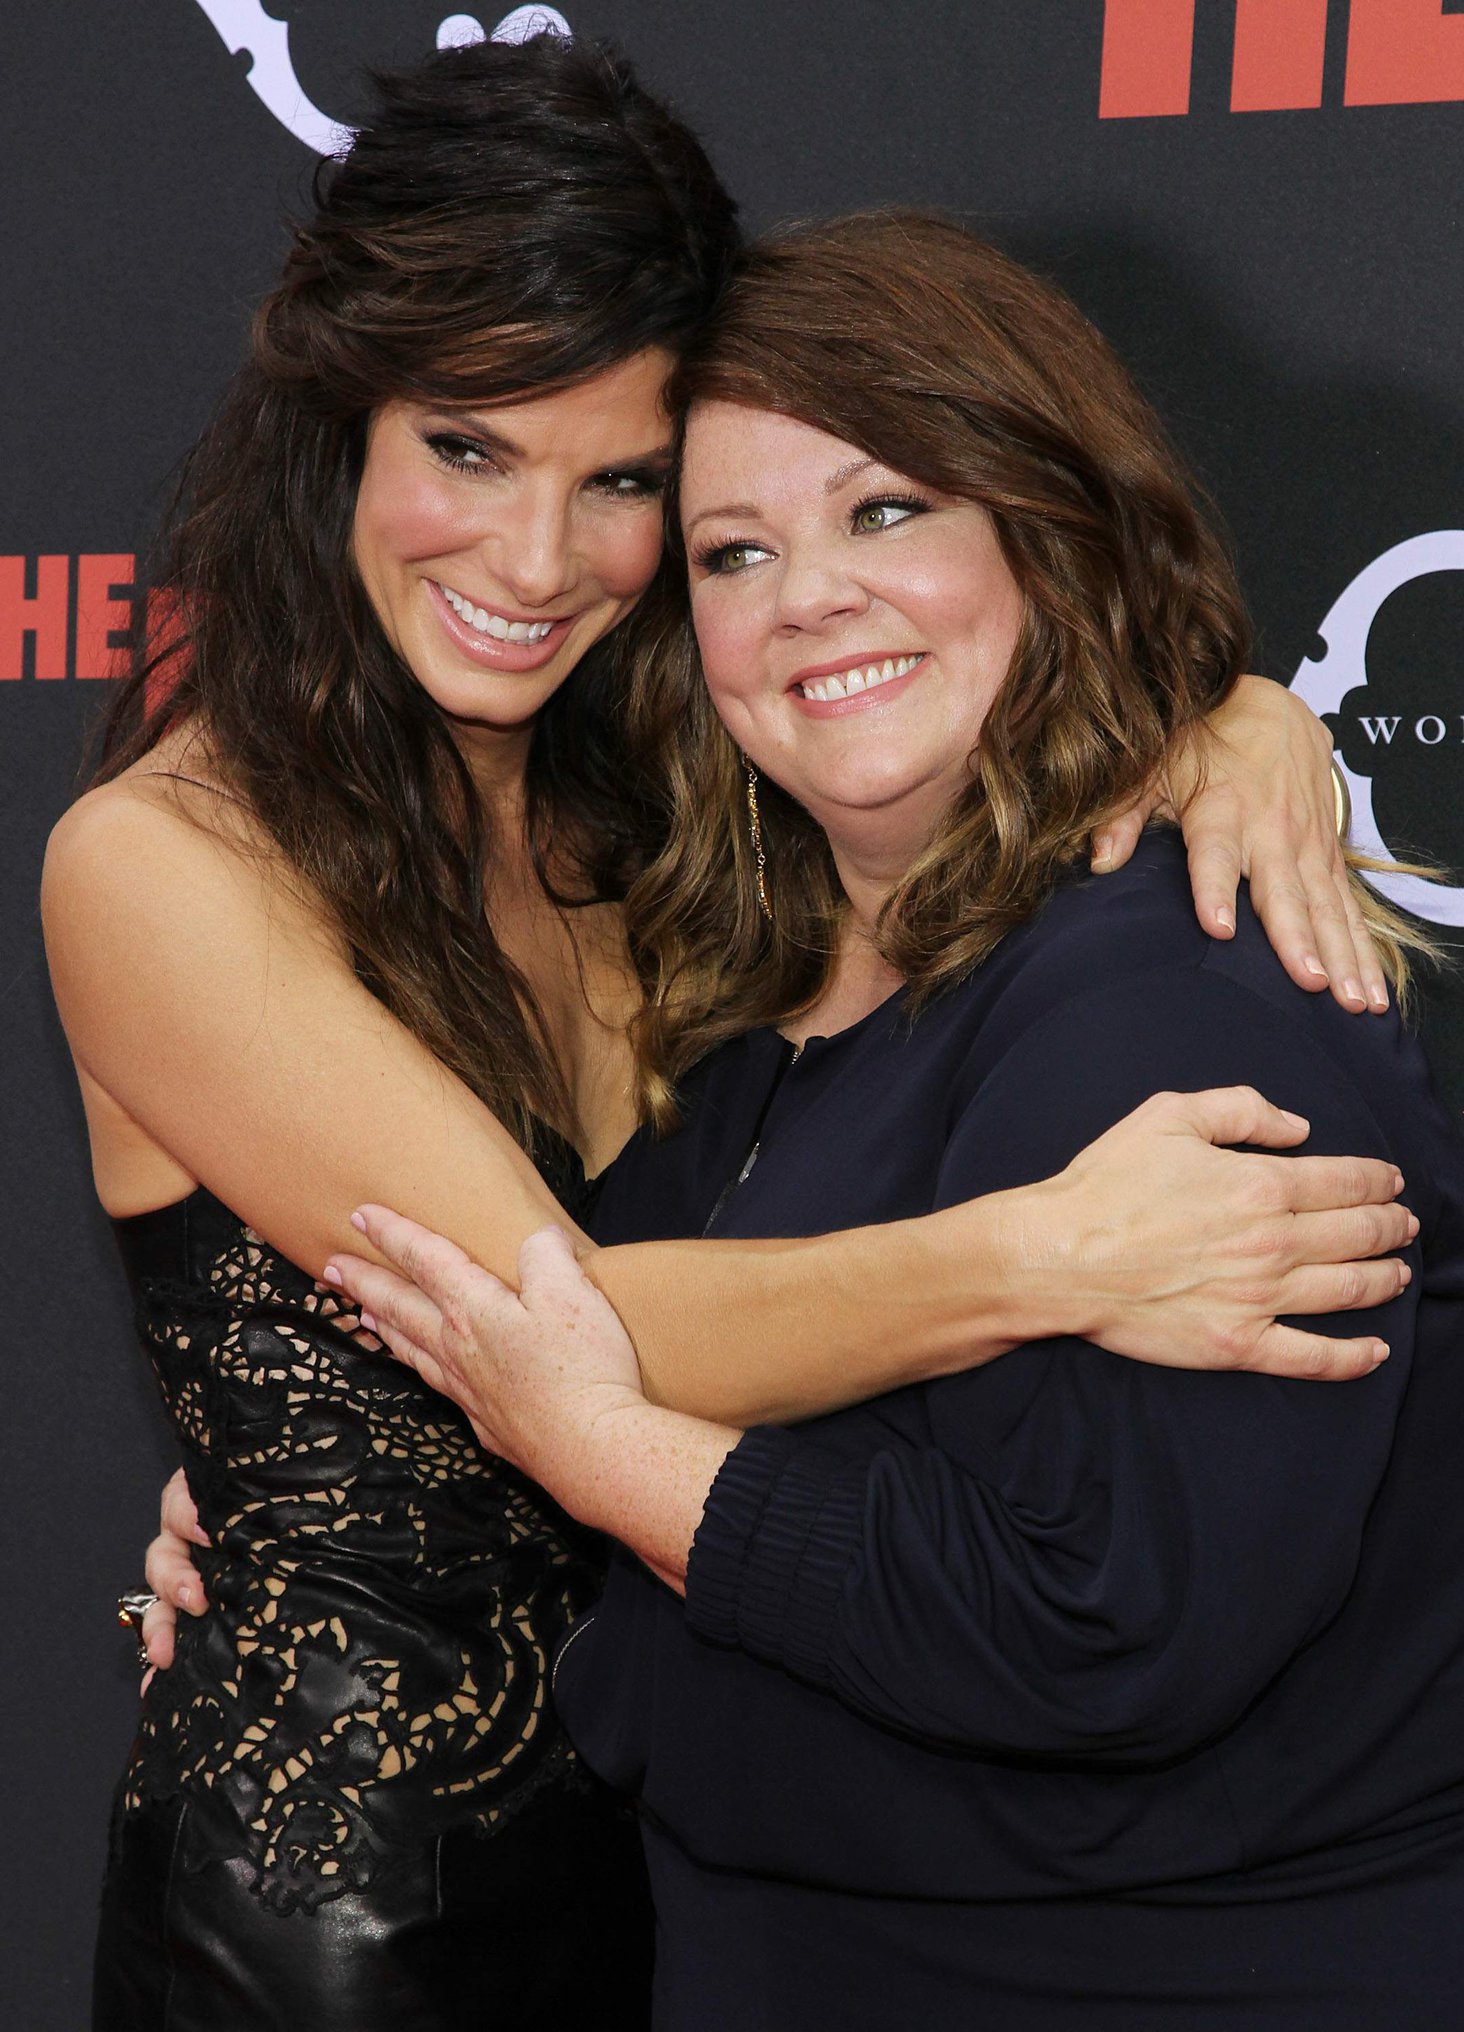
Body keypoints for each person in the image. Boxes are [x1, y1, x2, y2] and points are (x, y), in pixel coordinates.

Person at [46, 37, 1407, 2032]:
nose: (533, 561)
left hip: (698, 1869)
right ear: (339, 418)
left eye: (622, 486)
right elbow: (560, 1318)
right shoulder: (157, 859)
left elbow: (954, 696)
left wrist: (1228, 718)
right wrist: (1048, 1254)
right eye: (471, 450)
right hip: (349, 1924)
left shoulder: (652, 811)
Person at [326, 212, 1464, 2031]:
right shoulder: (753, 1026)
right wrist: (310, 1488)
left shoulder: (1174, 987)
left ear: (1046, 524)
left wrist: (602, 1450)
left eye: (885, 511)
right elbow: (605, 1363)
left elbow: (1107, 1631)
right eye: (735, 549)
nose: (809, 597)